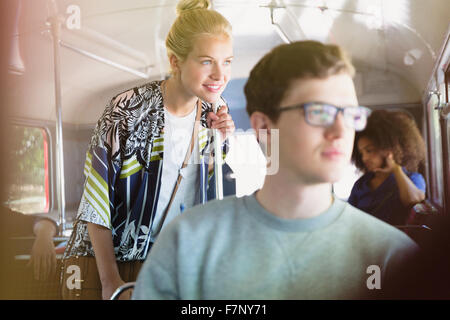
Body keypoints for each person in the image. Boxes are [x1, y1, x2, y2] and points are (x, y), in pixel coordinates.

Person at [132, 41, 418, 300]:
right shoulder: (187, 243)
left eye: (350, 114)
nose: (339, 130)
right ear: (265, 127)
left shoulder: (392, 255)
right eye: (319, 112)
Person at [61, 0, 235, 300]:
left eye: (227, 61)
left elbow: (199, 190)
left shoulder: (213, 113)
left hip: (168, 261)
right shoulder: (127, 108)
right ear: (176, 61)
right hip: (107, 263)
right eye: (207, 61)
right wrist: (110, 281)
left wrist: (220, 141)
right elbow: (96, 198)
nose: (220, 74)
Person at [348, 110, 426, 225]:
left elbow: (414, 201)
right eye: (361, 153)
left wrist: (396, 169)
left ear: (389, 148)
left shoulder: (413, 178)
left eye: (369, 151)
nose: (364, 158)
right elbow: (349, 216)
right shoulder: (361, 184)